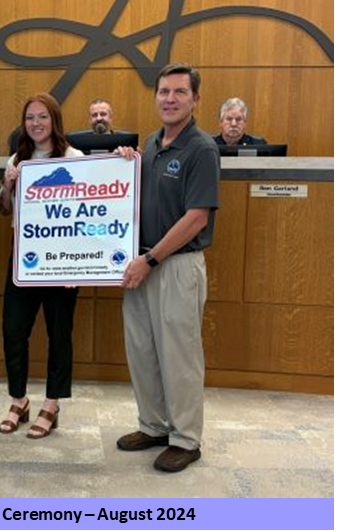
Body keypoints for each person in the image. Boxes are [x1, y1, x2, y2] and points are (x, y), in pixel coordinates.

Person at [115, 63, 220, 472]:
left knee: (179, 356)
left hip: (173, 265)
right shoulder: (153, 144)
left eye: (179, 92)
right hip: (141, 263)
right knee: (143, 351)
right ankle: (154, 425)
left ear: (195, 99)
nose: (170, 99)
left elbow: (197, 217)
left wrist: (151, 259)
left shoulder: (201, 148)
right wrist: (128, 163)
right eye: (163, 92)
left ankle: (185, 438)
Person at [0, 93, 83, 439]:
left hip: (63, 260)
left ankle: (52, 403)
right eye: (30, 117)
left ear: (54, 121)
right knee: (13, 329)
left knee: (59, 332)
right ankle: (19, 400)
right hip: (25, 258)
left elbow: (91, 208)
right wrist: (8, 184)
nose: (36, 123)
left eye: (42, 117)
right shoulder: (18, 158)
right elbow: (5, 209)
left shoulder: (75, 158)